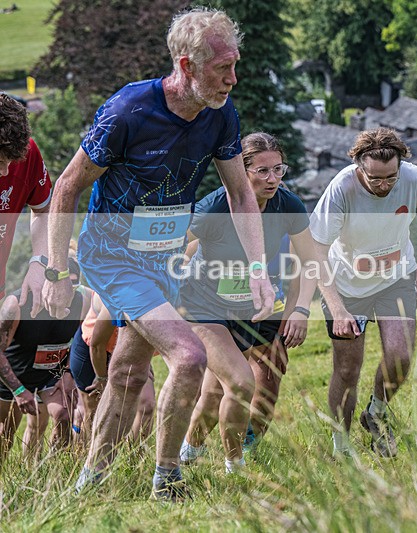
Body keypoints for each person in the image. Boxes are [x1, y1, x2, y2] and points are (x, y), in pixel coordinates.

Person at [41, 7, 273, 501]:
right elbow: (66, 186)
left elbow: (239, 193)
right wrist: (56, 269)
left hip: (163, 259)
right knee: (188, 356)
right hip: (113, 256)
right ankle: (167, 478)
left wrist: (258, 268)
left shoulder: (220, 114)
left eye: (236, 65)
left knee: (126, 372)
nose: (233, 79)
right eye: (221, 68)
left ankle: (90, 481)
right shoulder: (129, 110)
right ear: (187, 66)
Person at [177, 132, 319, 473]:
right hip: (206, 308)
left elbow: (310, 259)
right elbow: (179, 246)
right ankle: (233, 466)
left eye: (279, 170)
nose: (273, 179)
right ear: (241, 172)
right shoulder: (214, 207)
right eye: (263, 171)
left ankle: (209, 451)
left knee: (255, 388)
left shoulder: (288, 204)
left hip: (261, 303)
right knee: (239, 383)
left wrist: (300, 308)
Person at [309, 127, 417, 458]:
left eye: (390, 178)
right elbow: (316, 251)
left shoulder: (414, 178)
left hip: (396, 277)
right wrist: (337, 309)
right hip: (348, 287)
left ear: (400, 166)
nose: (383, 185)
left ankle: (377, 412)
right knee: (348, 369)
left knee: (401, 356)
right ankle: (342, 444)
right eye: (375, 179)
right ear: (359, 167)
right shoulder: (341, 188)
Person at [0, 257, 88, 464]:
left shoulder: (81, 302)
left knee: (63, 418)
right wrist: (19, 391)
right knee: (5, 431)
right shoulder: (17, 304)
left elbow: (78, 341)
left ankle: (52, 477)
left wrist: (67, 373)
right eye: (63, 283)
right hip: (14, 374)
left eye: (74, 284)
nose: (67, 290)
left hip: (50, 374)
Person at [69, 291, 156, 443]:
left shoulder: (162, 293)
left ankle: (136, 462)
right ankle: (91, 460)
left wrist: (144, 359)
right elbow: (97, 345)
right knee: (94, 410)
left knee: (146, 404)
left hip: (128, 351)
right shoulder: (114, 294)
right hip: (93, 351)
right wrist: (101, 377)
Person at [0, 93, 51, 317]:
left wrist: (39, 261)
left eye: (12, 161)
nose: (5, 172)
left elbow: (44, 211)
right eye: (0, 161)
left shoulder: (28, 153)